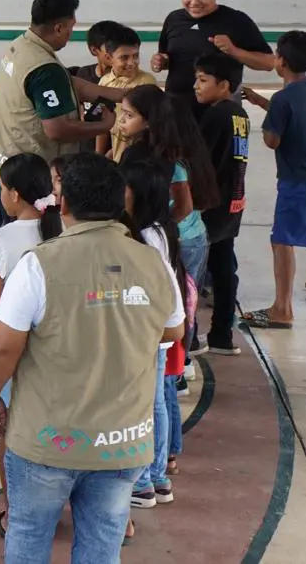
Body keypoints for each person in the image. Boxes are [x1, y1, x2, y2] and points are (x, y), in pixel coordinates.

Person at [0, 153, 183, 564]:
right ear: (119, 203)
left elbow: (3, 346)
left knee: (29, 540)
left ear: (64, 205)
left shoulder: (39, 264)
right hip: (121, 442)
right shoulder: (152, 261)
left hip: (47, 442)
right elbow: (174, 330)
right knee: (101, 548)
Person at [0, 153, 63, 537]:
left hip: (14, 356)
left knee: (10, 435)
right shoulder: (64, 231)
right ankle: (56, 509)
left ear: (13, 195)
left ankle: (14, 512)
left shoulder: (0, 243)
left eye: (2, 188)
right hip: (59, 351)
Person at [241, 31, 306, 328]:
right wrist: (263, 102)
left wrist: (268, 119)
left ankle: (281, 309)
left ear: (280, 61)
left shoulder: (283, 100)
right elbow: (296, 115)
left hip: (298, 179)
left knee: (282, 240)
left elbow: (273, 140)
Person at [0, 0, 124, 184]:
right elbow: (57, 130)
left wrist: (121, 94)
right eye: (71, 27)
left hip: (4, 162)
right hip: (31, 178)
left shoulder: (20, 46)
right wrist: (105, 125)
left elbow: (67, 84)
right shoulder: (44, 67)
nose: (71, 33)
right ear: (59, 28)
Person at [119, 158, 189, 513]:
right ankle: (157, 477)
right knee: (157, 401)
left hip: (151, 330)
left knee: (146, 405)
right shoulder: (161, 228)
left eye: (124, 188)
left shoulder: (144, 237)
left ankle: (145, 481)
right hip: (159, 328)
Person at [115, 85, 218, 299]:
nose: (121, 120)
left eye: (129, 115)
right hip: (166, 238)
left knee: (182, 302)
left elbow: (184, 207)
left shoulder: (169, 157)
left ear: (148, 121)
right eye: (122, 113)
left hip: (184, 240)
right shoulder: (140, 151)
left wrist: (160, 229)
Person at [151, 0, 273, 117]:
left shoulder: (236, 20)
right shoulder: (173, 19)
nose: (194, 2)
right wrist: (161, 61)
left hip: (221, 115)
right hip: (177, 113)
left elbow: (269, 63)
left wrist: (234, 51)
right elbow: (169, 58)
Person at [195, 53, 250, 353]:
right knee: (224, 268)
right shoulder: (240, 114)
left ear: (225, 84)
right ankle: (221, 335)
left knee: (194, 268)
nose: (196, 86)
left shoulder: (216, 116)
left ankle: (190, 339)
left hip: (211, 205)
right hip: (232, 202)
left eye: (203, 80)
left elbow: (203, 163)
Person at [96, 25, 157, 160]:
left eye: (135, 56)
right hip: (118, 158)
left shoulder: (147, 82)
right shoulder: (104, 83)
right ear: (108, 58)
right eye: (124, 57)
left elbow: (156, 127)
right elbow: (101, 125)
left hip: (142, 160)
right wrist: (99, 156)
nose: (131, 62)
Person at [67, 21, 123, 155]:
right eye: (109, 48)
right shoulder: (83, 74)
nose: (114, 52)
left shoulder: (124, 80)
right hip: (86, 149)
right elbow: (81, 111)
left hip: (113, 152)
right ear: (94, 50)